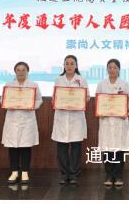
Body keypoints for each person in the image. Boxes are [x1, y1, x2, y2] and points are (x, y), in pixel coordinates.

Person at [1, 62, 42, 184]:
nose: (21, 72)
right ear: (15, 71)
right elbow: (2, 99)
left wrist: (32, 106)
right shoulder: (9, 85)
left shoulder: (33, 85)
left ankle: (24, 172)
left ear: (27, 71)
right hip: (12, 119)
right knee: (12, 146)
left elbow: (39, 100)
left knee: (25, 146)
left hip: (27, 119)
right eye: (18, 70)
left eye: (23, 70)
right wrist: (7, 104)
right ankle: (14, 172)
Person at [51, 55, 89, 185]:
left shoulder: (81, 80)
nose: (69, 66)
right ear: (63, 65)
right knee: (61, 148)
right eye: (67, 63)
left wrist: (79, 101)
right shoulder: (58, 80)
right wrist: (57, 101)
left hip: (76, 118)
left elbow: (87, 97)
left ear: (76, 65)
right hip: (61, 117)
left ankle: (73, 174)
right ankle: (64, 174)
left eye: (72, 63)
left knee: (75, 148)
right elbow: (54, 97)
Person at [96, 59, 129, 187]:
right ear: (107, 69)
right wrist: (101, 111)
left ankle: (118, 175)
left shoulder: (124, 84)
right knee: (107, 149)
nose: (112, 70)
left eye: (115, 67)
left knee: (119, 149)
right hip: (106, 120)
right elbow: (98, 101)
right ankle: (109, 175)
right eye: (110, 67)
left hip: (120, 120)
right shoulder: (101, 84)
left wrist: (124, 111)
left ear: (119, 69)